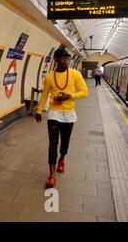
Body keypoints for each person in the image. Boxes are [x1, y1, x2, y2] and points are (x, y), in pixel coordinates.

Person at [35, 48, 89, 188]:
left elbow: (85, 92)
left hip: (69, 113)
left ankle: (62, 159)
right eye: (63, 57)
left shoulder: (75, 74)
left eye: (68, 58)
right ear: (56, 59)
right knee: (53, 143)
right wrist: (39, 110)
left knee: (65, 142)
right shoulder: (49, 77)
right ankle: (51, 175)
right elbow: (45, 95)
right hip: (54, 113)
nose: (66, 60)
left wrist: (71, 96)